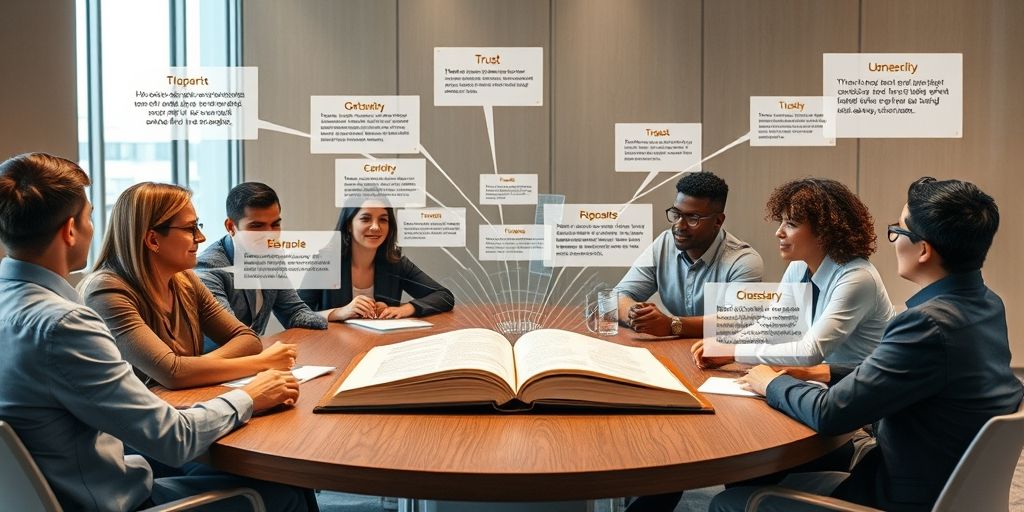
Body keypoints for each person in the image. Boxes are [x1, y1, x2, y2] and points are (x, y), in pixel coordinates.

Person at [0, 152, 307, 511]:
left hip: (89, 481)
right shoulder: (66, 324)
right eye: (89, 219)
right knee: (287, 493)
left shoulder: (16, 305)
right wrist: (251, 395)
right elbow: (174, 438)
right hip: (118, 499)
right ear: (70, 230)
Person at [714, 177, 1024, 512]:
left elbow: (829, 414)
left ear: (923, 250)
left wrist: (772, 382)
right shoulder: (986, 305)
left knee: (729, 502)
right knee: (763, 473)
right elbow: (914, 373)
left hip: (896, 496)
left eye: (898, 231)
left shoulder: (926, 323)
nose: (893, 240)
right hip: (940, 481)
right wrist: (824, 371)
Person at [79, 182, 297, 390]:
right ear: (153, 240)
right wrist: (262, 362)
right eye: (190, 228)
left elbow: (248, 340)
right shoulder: (106, 293)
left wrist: (191, 369)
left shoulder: (186, 280)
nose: (201, 238)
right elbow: (172, 374)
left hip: (179, 410)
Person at [694, 177, 894, 368]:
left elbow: (810, 351)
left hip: (862, 390)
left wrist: (733, 350)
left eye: (791, 224)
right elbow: (773, 325)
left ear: (824, 232)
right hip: (824, 381)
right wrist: (722, 343)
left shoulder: (858, 278)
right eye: (781, 221)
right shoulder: (799, 266)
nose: (779, 232)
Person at [614, 171, 764, 338]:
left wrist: (673, 325)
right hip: (675, 349)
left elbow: (737, 321)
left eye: (693, 217)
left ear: (718, 221)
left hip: (720, 355)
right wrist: (635, 314)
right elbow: (617, 297)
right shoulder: (664, 243)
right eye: (676, 214)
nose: (679, 225)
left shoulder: (744, 261)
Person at [196, 182, 328, 336]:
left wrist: (332, 321)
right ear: (231, 227)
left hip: (254, 354)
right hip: (219, 358)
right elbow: (232, 334)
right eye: (257, 226)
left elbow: (294, 312)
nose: (269, 235)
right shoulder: (208, 267)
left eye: (275, 224)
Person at [300, 201, 454, 320]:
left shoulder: (397, 264)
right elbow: (296, 314)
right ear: (349, 225)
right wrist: (340, 312)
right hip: (333, 350)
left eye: (383, 220)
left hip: (381, 347)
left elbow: (444, 296)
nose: (375, 227)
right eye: (366, 219)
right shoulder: (325, 262)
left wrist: (404, 309)